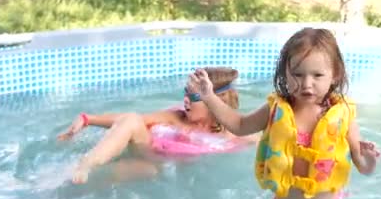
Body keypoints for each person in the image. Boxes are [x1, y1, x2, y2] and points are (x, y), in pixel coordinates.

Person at [186, 28, 381, 199]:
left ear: (335, 74)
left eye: (317, 75)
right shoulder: (276, 109)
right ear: (284, 73)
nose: (307, 84)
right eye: (297, 74)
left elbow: (362, 165)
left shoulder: (343, 114)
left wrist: (369, 158)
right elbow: (240, 125)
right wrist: (208, 96)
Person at [58, 67, 256, 185]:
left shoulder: (234, 134)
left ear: (213, 102)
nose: (185, 100)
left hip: (157, 169)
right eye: (185, 93)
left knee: (143, 172)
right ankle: (88, 162)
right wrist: (88, 119)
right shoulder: (176, 117)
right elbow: (128, 120)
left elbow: (265, 140)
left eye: (193, 96)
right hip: (148, 152)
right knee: (133, 120)